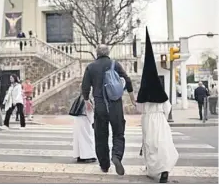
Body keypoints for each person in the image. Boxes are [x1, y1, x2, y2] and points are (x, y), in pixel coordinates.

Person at [81, 44, 136, 175]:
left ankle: (104, 165)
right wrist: (132, 98)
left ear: (97, 53)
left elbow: (85, 86)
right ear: (108, 52)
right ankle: (116, 156)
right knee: (118, 132)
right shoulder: (114, 64)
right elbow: (127, 80)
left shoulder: (91, 67)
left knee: (100, 135)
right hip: (115, 105)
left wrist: (87, 100)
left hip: (100, 106)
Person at [137, 27, 179, 183]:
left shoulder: (143, 93)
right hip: (160, 120)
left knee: (150, 144)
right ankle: (164, 169)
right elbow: (167, 108)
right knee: (163, 144)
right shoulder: (161, 94)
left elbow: (139, 108)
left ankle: (153, 170)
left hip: (148, 119)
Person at [72, 83, 96, 163]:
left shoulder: (79, 98)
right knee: (87, 138)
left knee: (78, 138)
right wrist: (93, 122)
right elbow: (90, 112)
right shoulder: (87, 99)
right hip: (85, 120)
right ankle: (88, 156)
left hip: (78, 120)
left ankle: (80, 155)